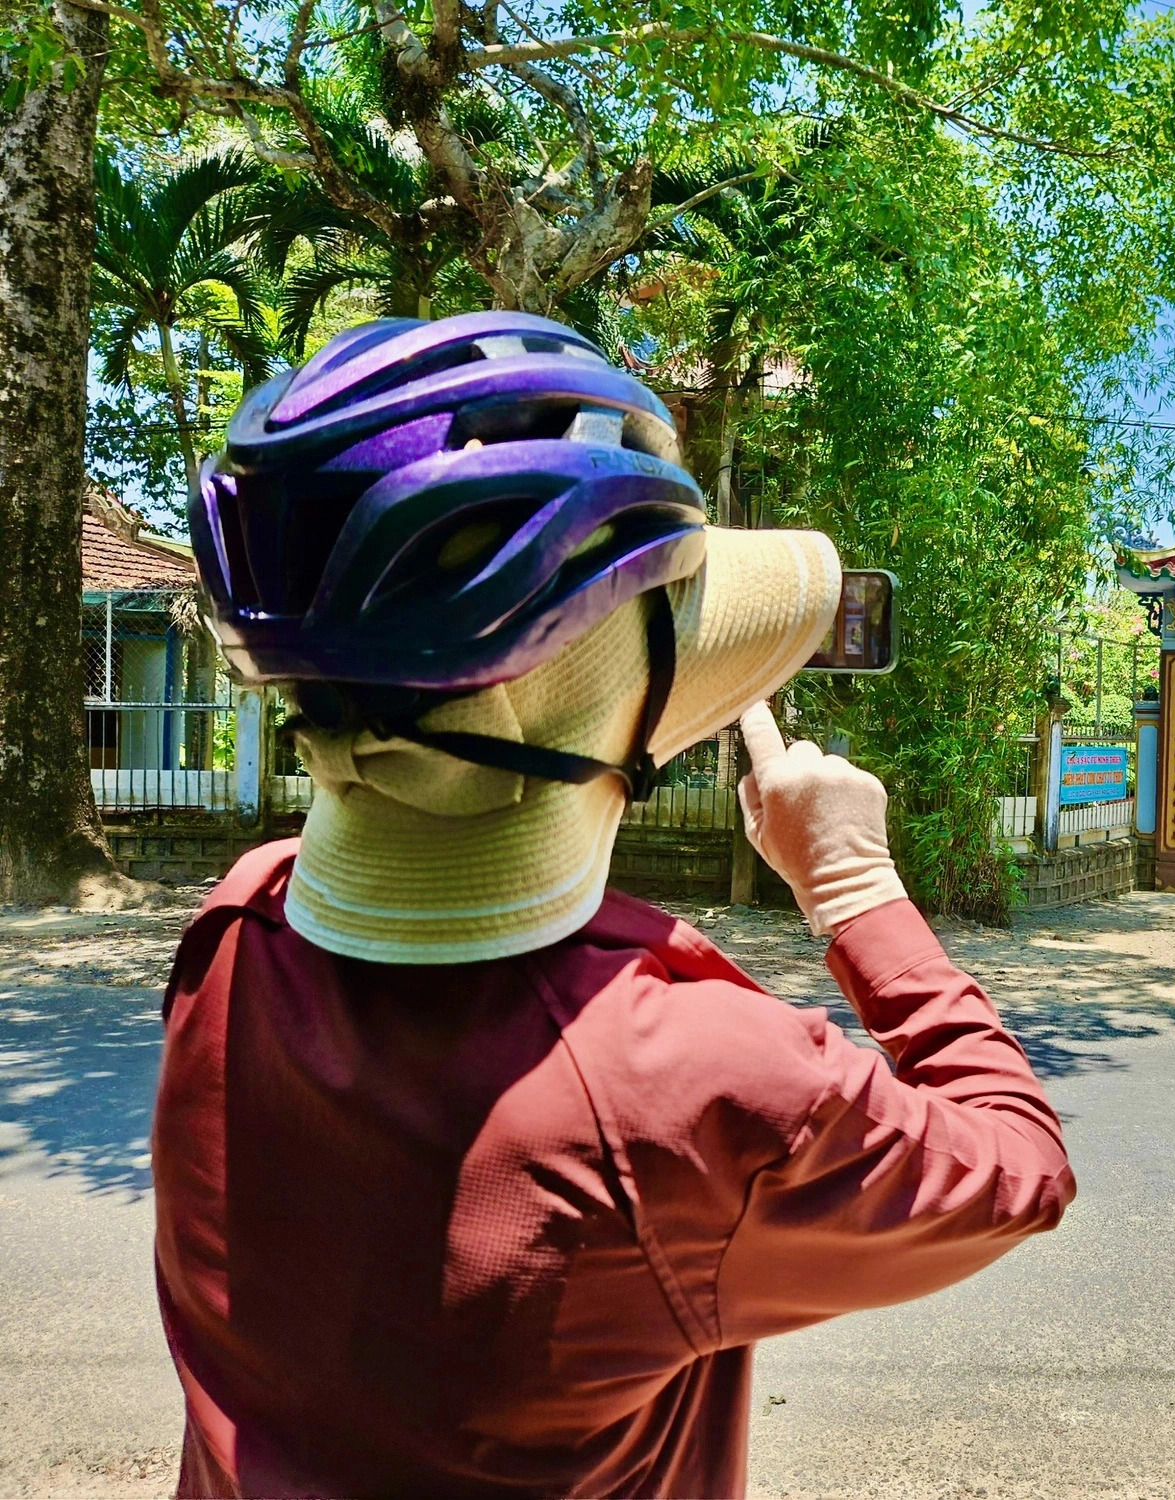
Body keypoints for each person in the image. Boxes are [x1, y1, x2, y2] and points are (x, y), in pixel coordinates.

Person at [153, 312, 1075, 1497]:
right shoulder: (685, 1079)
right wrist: (854, 883)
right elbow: (1016, 1170)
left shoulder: (234, 937)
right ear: (605, 713)